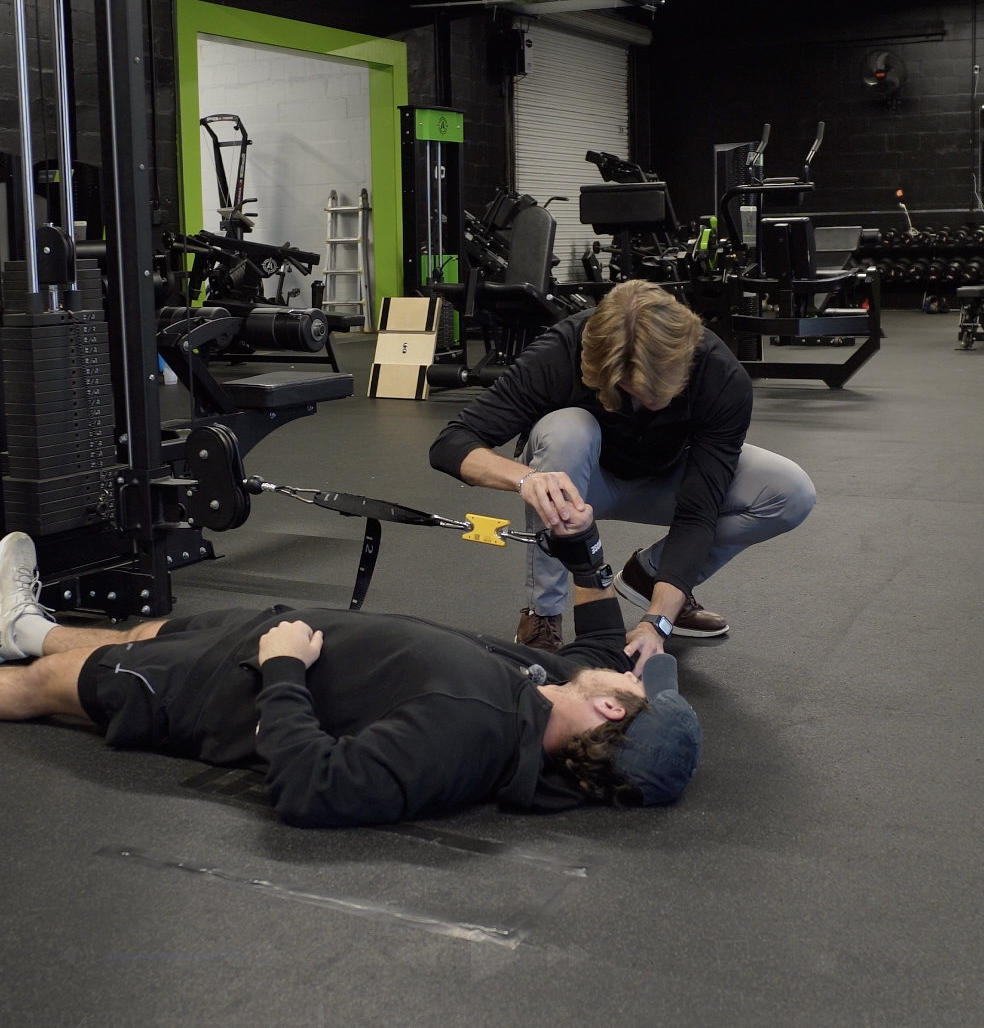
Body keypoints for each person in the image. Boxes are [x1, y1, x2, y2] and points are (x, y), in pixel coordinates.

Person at [0, 523, 701, 827]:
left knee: (45, 686)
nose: (639, 675)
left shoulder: (467, 735)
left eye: (644, 690)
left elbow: (314, 787)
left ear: (613, 714)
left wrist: (281, 669)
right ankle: (23, 627)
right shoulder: (549, 700)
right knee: (133, 633)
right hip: (271, 633)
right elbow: (605, 644)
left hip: (216, 685)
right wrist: (584, 548)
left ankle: (28, 651)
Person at [430, 280, 816, 660]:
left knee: (789, 491)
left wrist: (657, 623)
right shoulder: (563, 350)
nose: (644, 402)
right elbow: (452, 443)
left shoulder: (720, 375)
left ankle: (650, 576)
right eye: (630, 389)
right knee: (567, 431)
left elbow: (698, 512)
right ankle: (543, 614)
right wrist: (525, 479)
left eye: (656, 393)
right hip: (579, 482)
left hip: (670, 476)